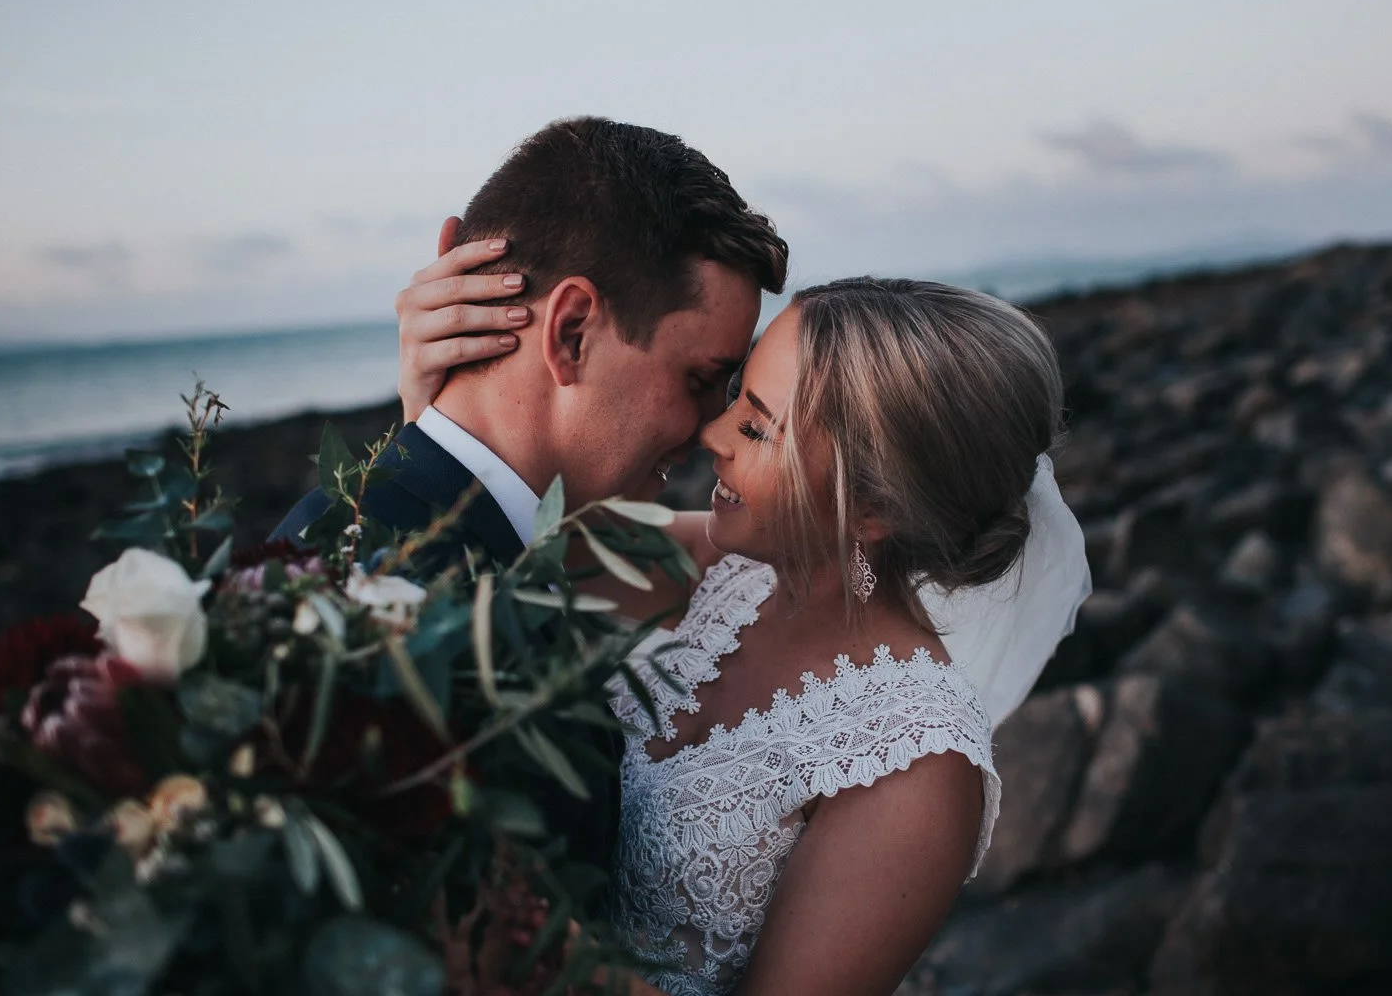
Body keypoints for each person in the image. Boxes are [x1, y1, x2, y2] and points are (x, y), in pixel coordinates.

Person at [396, 242, 1091, 992]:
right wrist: (438, 396)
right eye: (734, 397)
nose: (712, 435)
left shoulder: (920, 766)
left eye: (757, 429)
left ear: (877, 509)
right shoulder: (717, 568)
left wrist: (535, 938)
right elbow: (472, 543)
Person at [270, 116, 790, 883]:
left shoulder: (363, 518)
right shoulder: (424, 618)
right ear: (572, 331)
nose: (712, 426)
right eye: (698, 380)